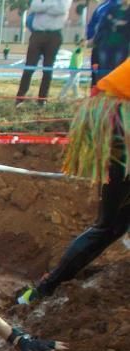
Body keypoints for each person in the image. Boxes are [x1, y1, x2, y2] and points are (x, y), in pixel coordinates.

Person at [17, 58, 129, 304]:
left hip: (113, 110)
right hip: (119, 114)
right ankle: (45, 289)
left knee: (113, 224)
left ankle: (43, 290)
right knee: (110, 225)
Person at [15, 0, 70, 106]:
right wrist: (52, 5)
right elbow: (34, 6)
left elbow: (61, 9)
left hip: (54, 35)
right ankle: (20, 98)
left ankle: (42, 100)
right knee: (29, 67)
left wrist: (44, 6)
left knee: (48, 69)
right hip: (37, 34)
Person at [91, 0, 130, 87]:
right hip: (105, 43)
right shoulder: (111, 8)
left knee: (117, 70)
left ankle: (114, 92)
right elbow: (103, 23)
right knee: (103, 69)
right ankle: (102, 90)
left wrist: (119, 25)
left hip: (121, 45)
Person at [86, 0, 117, 87]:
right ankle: (95, 96)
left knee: (113, 75)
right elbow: (92, 24)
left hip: (117, 48)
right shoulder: (102, 7)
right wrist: (91, 38)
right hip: (99, 46)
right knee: (96, 75)